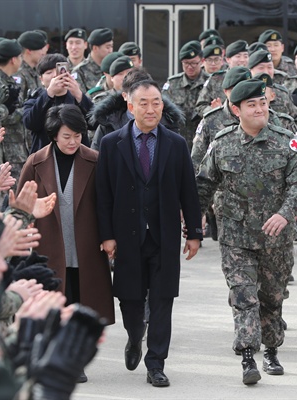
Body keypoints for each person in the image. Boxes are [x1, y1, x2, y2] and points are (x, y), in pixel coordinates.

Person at [196, 79, 297, 385]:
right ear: (236, 110)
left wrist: (285, 214)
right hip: (235, 236)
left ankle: (271, 350)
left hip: (276, 238)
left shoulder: (287, 141)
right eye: (252, 105)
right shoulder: (222, 144)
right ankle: (248, 356)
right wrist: (196, 222)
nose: (260, 109)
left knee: (271, 298)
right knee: (244, 296)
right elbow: (204, 184)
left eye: (263, 103)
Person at [96, 79, 203, 387]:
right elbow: (103, 195)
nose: (151, 109)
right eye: (143, 103)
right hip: (126, 237)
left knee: (162, 300)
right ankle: (133, 338)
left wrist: (193, 232)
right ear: (130, 106)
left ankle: (156, 362)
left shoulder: (175, 143)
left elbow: (188, 192)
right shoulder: (111, 143)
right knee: (129, 300)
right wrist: (106, 235)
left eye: (156, 102)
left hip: (163, 236)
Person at [17, 104, 114, 383]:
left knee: (77, 301)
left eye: (78, 135)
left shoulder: (95, 160)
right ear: (53, 136)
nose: (73, 142)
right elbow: (21, 206)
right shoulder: (35, 162)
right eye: (67, 136)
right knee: (52, 304)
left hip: (84, 245)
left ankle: (73, 359)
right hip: (48, 247)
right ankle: (52, 355)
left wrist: (108, 237)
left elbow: (106, 203)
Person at [90, 67, 184, 151]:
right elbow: (97, 161)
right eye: (142, 101)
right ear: (125, 96)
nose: (149, 110)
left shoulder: (168, 123)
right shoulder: (109, 123)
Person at [23, 54, 92, 153]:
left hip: (77, 156)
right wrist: (49, 94)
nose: (55, 75)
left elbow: (94, 122)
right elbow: (31, 124)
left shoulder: (78, 98)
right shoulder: (36, 100)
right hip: (45, 157)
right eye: (49, 72)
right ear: (41, 79)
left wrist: (78, 94)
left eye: (58, 70)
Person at [0, 39, 29, 182]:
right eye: (20, 57)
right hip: (8, 148)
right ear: (13, 59)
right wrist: (26, 109)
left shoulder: (9, 80)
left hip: (17, 145)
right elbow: (1, 116)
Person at [162, 41, 209, 150]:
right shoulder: (173, 83)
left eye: (194, 63)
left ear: (201, 61)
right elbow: (162, 109)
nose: (190, 67)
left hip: (204, 143)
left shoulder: (210, 83)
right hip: (178, 142)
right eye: (186, 63)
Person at [73, 28, 114, 94]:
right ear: (95, 48)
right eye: (107, 47)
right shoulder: (80, 71)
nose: (110, 51)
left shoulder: (113, 68)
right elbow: (80, 99)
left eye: (111, 47)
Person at [16, 31, 48, 101]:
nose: (43, 53)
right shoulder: (18, 72)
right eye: (40, 49)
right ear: (29, 51)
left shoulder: (36, 70)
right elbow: (17, 105)